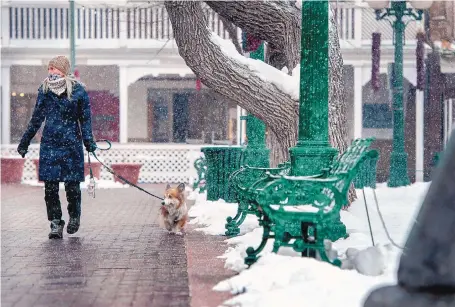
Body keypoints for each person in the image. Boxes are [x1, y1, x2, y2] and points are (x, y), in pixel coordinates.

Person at [17, 55, 97, 239]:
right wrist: (25, 141)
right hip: (50, 144)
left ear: (64, 70)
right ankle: (55, 222)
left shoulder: (78, 92)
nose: (51, 72)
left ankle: (74, 217)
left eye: (55, 69)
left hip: (71, 145)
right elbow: (36, 119)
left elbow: (85, 119)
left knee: (72, 187)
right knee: (50, 188)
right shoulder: (44, 91)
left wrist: (89, 141)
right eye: (50, 69)